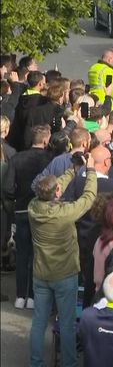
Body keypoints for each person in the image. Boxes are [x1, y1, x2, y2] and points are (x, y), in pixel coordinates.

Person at [27, 155, 97, 367]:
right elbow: (88, 197)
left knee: (38, 322)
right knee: (66, 324)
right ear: (57, 193)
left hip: (41, 273)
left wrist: (73, 169)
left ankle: (36, 363)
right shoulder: (65, 213)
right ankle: (69, 363)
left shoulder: (33, 207)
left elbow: (53, 187)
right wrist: (90, 171)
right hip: (65, 276)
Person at [2, 125, 53, 309]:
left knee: (22, 254)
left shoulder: (17, 158)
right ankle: (33, 296)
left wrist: (14, 203)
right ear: (46, 140)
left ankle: (20, 295)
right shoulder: (49, 159)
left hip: (21, 211)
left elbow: (7, 188)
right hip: (42, 212)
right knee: (37, 255)